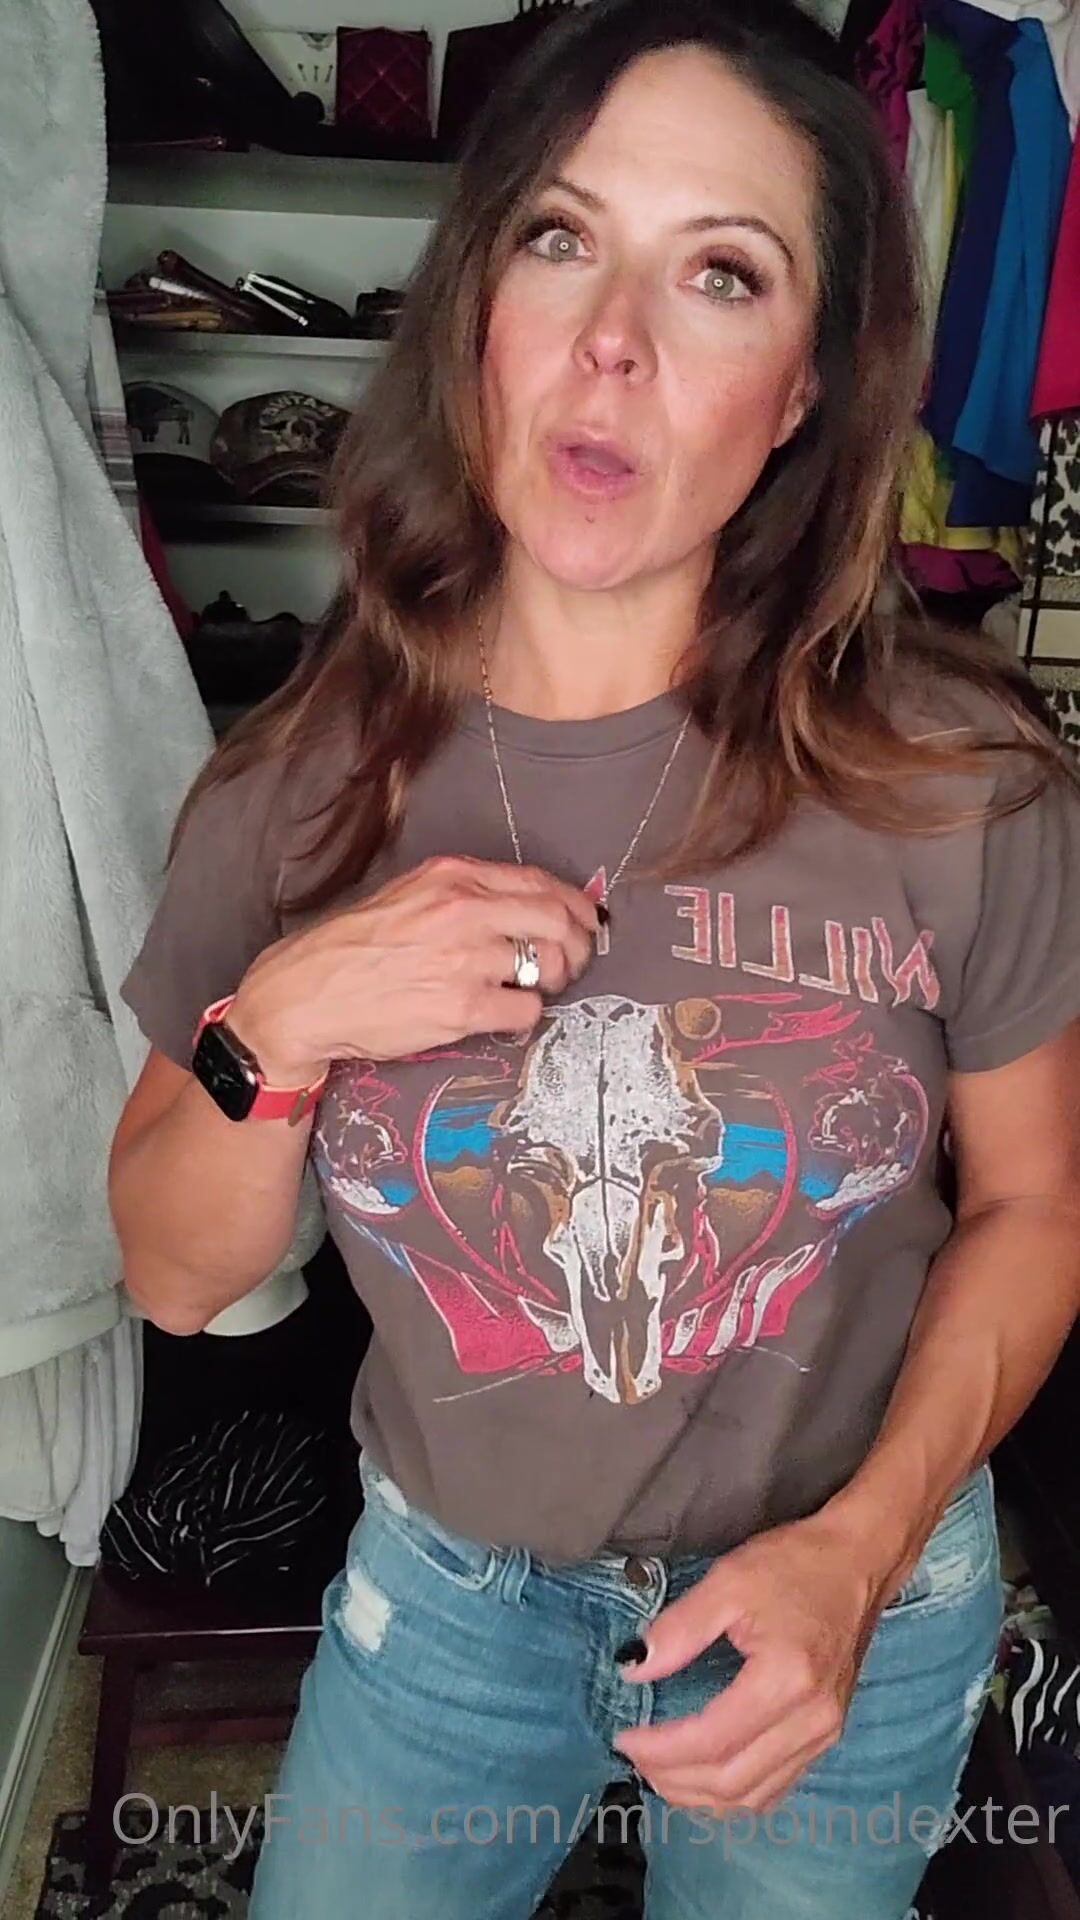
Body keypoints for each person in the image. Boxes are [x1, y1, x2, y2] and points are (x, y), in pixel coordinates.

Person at [109, 3, 1080, 1914]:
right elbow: (170, 1268)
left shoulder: (961, 779)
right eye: (562, 237)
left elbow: (1037, 1210)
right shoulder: (300, 790)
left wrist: (864, 1554)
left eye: (722, 274)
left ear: (803, 392)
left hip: (848, 1587)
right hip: (448, 1603)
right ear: (481, 306)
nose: (612, 338)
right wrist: (277, 1024)